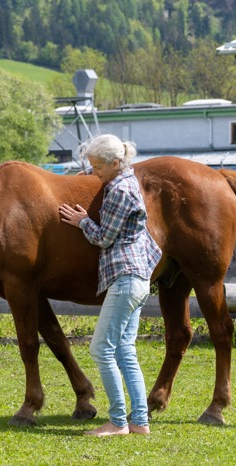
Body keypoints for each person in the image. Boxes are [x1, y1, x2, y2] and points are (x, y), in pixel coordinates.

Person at [59, 134, 162, 437]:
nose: (95, 173)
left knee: (101, 350)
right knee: (125, 350)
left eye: (98, 168)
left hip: (125, 279)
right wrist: (89, 175)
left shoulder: (119, 190)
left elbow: (104, 237)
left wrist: (82, 222)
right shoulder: (127, 181)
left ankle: (118, 421)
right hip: (138, 278)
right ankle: (140, 421)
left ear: (116, 163)